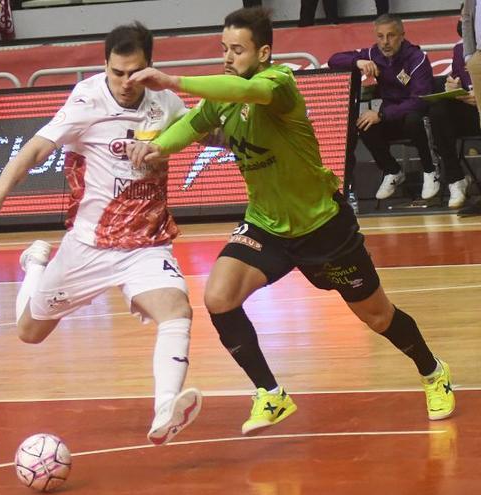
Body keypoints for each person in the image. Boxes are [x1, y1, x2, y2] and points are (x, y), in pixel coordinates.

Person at [126, 7, 454, 435]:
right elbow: (192, 122)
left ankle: (433, 372)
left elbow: (245, 92)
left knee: (378, 317)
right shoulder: (223, 98)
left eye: (238, 50)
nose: (228, 57)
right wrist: (159, 148)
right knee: (219, 297)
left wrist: (174, 81)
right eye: (224, 49)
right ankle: (271, 394)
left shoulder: (278, 85)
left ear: (263, 53)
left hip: (323, 228)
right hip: (266, 225)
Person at [0, 22, 202, 446]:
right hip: (88, 246)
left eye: (135, 72)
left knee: (177, 311)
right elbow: (38, 147)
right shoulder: (87, 99)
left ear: (150, 67)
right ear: (106, 66)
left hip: (146, 243)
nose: (126, 82)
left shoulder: (166, 102)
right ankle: (35, 267)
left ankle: (166, 409)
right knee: (29, 332)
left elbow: (204, 130)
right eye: (117, 72)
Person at [328, 14, 436, 201]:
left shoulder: (417, 59)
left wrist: (382, 115)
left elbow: (420, 100)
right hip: (388, 116)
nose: (385, 42)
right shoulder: (373, 54)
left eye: (391, 36)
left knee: (412, 119)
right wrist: (358, 62)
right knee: (363, 123)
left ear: (402, 35)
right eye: (380, 36)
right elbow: (333, 60)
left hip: (415, 116)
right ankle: (392, 171)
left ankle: (430, 170)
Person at [428, 17, 474, 209]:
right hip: (471, 111)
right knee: (438, 109)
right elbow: (458, 77)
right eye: (462, 16)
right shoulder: (459, 49)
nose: (463, 20)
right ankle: (456, 179)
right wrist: (453, 87)